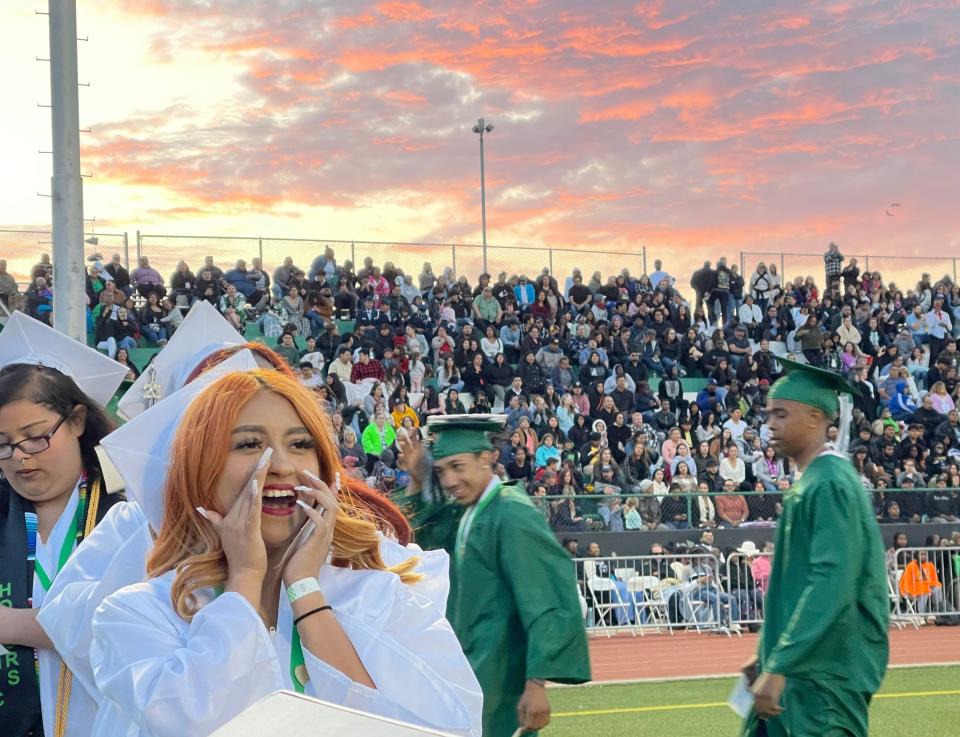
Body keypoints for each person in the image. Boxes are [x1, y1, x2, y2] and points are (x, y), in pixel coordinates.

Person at [86, 369, 483, 736]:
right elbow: (195, 720)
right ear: (200, 469)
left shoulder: (381, 596)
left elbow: (440, 728)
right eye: (249, 444)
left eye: (299, 444)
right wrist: (244, 579)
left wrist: (305, 591)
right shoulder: (139, 616)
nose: (280, 465)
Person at [396, 415, 591, 736]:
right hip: (471, 674)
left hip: (500, 681)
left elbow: (548, 598)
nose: (448, 481)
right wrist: (419, 478)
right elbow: (417, 535)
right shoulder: (471, 511)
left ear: (486, 459)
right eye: (442, 471)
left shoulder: (512, 513)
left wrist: (537, 682)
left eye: (458, 466)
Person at [742, 358, 888, 737]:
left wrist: (779, 665)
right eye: (768, 414)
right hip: (799, 672)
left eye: (781, 414)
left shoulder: (832, 484)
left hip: (823, 677)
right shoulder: (812, 482)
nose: (770, 424)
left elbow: (830, 582)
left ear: (814, 417)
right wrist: (768, 655)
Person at [0, 312, 128, 737]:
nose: (20, 456)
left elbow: (125, 626)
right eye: (2, 445)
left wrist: (10, 624)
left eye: (35, 436)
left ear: (75, 421)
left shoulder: (125, 511)